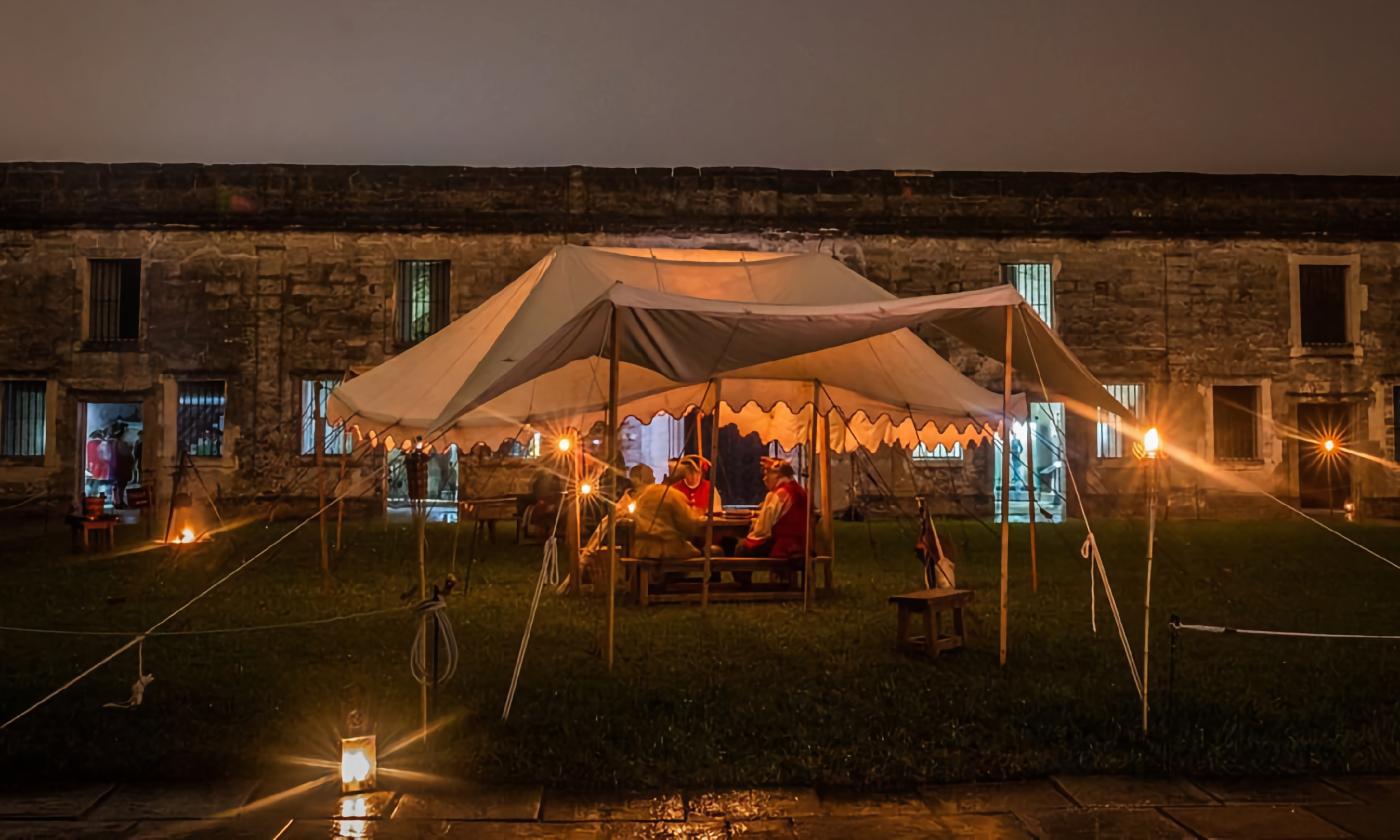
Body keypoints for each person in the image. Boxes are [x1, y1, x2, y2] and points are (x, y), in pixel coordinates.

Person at [739, 456, 809, 560]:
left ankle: (743, 575)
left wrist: (754, 524)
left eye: (767, 474)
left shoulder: (777, 494)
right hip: (803, 545)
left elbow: (762, 530)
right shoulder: (801, 492)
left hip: (783, 547)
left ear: (777, 475)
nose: (764, 479)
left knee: (740, 548)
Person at [630, 467, 704, 560]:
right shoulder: (673, 495)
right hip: (666, 549)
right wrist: (696, 515)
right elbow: (688, 526)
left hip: (642, 549)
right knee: (713, 551)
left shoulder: (642, 495)